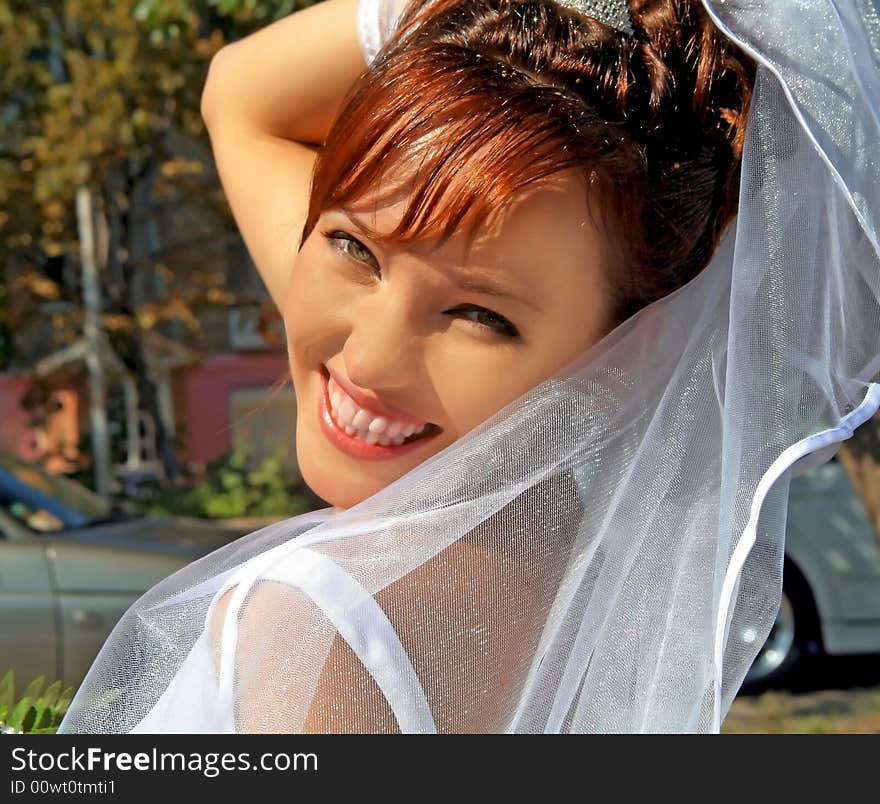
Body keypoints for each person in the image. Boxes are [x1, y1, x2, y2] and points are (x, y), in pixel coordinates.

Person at [58, 0, 880, 733]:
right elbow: (237, 95)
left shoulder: (320, 621)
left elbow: (242, 90)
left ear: (622, 355)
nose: (369, 358)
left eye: (480, 317)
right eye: (354, 246)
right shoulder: (594, 586)